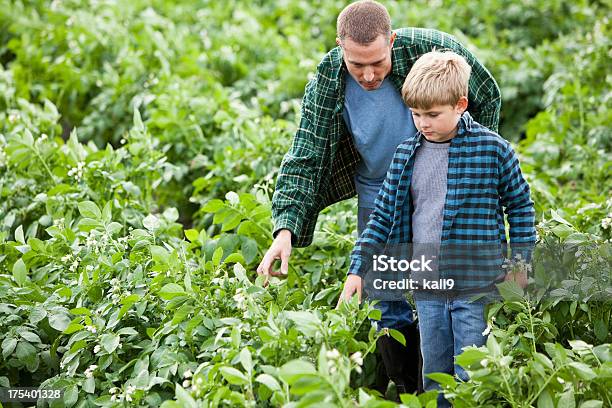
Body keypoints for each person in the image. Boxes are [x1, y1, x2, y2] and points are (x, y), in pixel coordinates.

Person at [257, 0, 501, 395]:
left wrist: (468, 161)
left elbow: (486, 94)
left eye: (377, 62)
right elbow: (307, 153)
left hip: (436, 183)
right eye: (357, 64)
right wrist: (284, 231)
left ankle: (450, 388)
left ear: (392, 40)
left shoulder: (430, 50)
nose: (368, 75)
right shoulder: (329, 79)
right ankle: (407, 391)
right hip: (377, 190)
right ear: (340, 47)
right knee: (386, 294)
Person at [346, 50, 536, 405]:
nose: (423, 123)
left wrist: (520, 263)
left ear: (460, 104)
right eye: (416, 114)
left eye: (432, 114)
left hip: (477, 286)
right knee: (434, 374)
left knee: (473, 372)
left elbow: (521, 207)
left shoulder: (493, 151)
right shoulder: (405, 155)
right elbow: (382, 218)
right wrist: (358, 270)